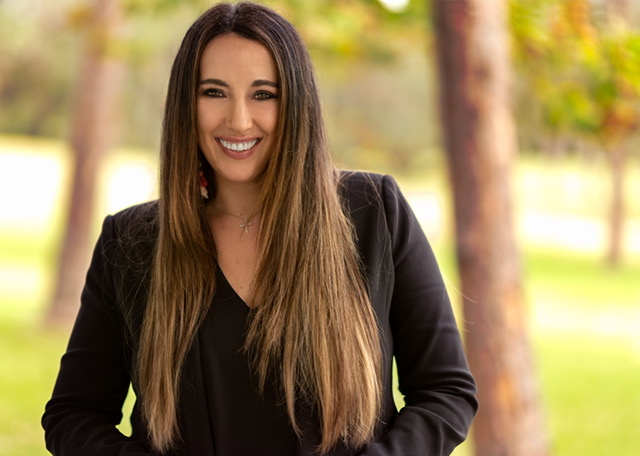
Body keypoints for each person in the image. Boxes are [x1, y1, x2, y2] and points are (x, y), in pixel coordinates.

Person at [42, 2, 477, 455]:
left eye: (263, 94)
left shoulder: (375, 213)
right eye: (214, 92)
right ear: (186, 104)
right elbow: (74, 415)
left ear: (296, 104)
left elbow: (446, 392)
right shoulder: (132, 242)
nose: (238, 120)